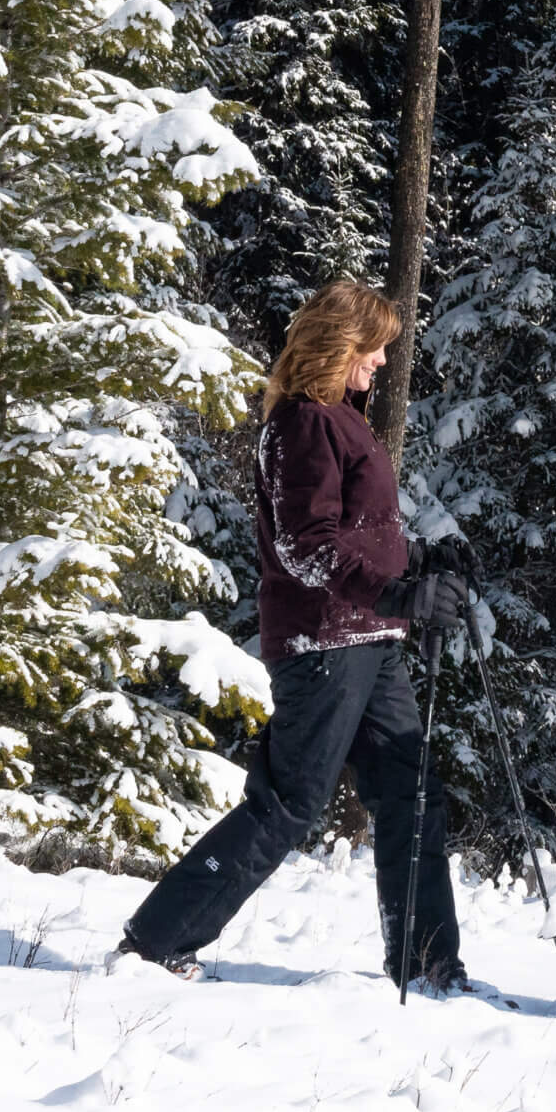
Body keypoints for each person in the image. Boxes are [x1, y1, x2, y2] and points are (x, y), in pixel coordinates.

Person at [119, 278, 474, 987]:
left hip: (369, 639)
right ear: (338, 345)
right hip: (323, 643)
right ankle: (160, 939)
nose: (379, 363)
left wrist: (424, 566)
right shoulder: (305, 423)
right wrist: (398, 590)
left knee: (413, 794)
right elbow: (304, 546)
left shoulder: (340, 418)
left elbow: (357, 532)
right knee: (289, 802)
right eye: (372, 350)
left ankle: (429, 966)